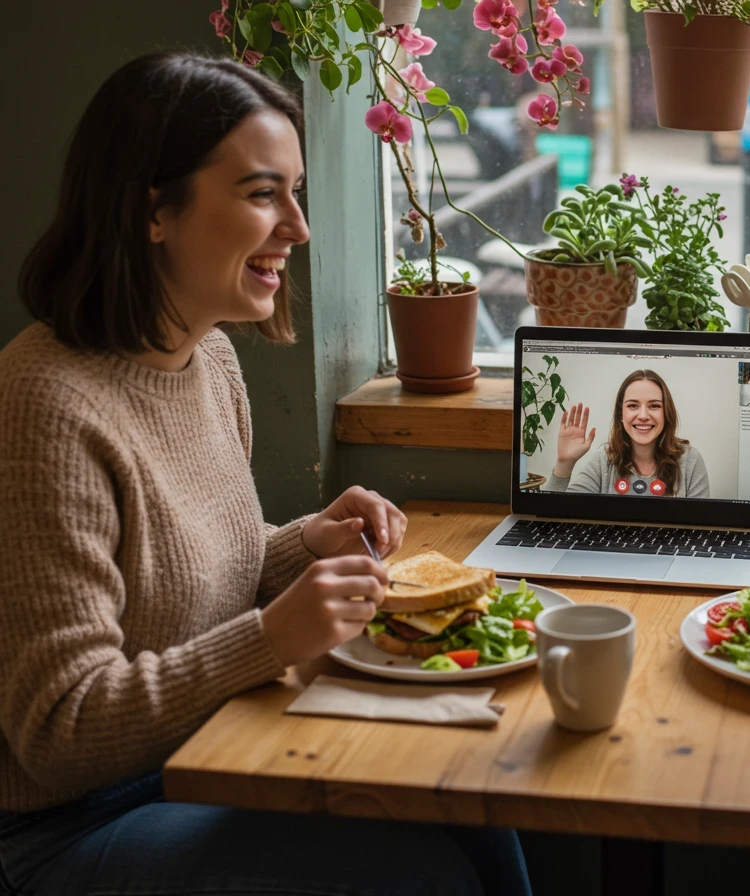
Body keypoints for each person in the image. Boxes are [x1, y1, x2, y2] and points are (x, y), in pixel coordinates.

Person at [0, 53, 530, 896]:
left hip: (210, 752)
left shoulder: (209, 360)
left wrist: (300, 545)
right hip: (67, 825)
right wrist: (274, 636)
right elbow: (58, 731)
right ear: (154, 213)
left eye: (296, 192)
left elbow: (189, 577)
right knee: (422, 876)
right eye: (261, 194)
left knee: (477, 803)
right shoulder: (45, 405)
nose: (298, 226)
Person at [544, 369, 711, 498]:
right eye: (633, 406)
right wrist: (564, 463)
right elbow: (554, 515)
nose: (644, 416)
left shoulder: (690, 460)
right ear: (620, 415)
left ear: (666, 413)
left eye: (654, 406)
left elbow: (702, 525)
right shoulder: (604, 460)